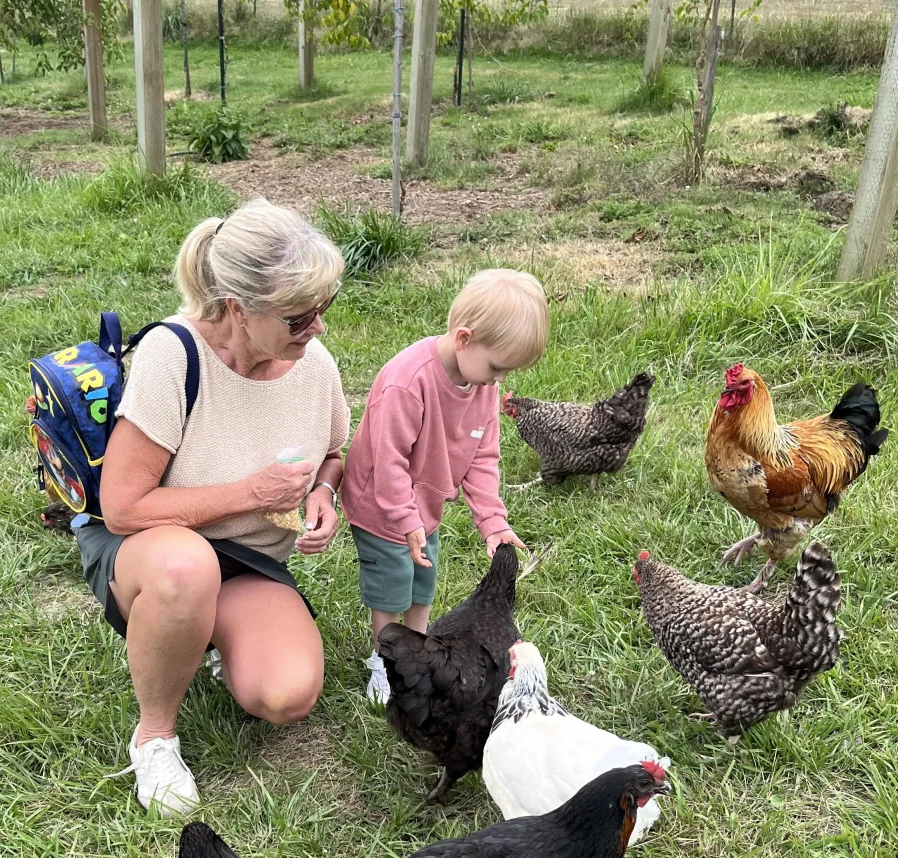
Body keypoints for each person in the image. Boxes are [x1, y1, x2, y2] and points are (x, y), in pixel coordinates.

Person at [76, 199, 349, 813]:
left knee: (286, 696)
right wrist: (251, 494)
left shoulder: (313, 365)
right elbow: (122, 507)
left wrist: (326, 495)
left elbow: (336, 451)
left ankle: (211, 635)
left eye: (323, 309)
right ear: (235, 310)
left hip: (248, 560)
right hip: (148, 549)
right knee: (186, 569)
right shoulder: (173, 357)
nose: (318, 328)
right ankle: (154, 736)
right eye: (300, 316)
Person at [340, 268, 549, 704]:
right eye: (497, 367)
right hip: (383, 506)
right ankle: (385, 660)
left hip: (424, 504)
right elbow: (388, 459)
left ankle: (416, 655)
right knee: (391, 584)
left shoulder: (481, 388)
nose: (499, 381)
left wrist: (493, 522)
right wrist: (404, 517)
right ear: (464, 338)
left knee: (422, 580)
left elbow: (482, 458)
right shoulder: (408, 381)